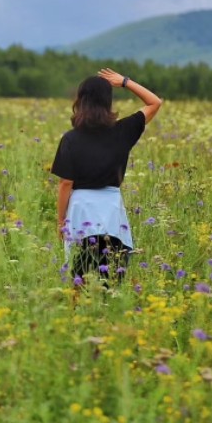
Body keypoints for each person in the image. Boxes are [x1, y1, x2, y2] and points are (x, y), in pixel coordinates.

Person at [50, 68, 162, 285]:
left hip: (80, 210)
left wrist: (61, 221)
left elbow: (66, 183)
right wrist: (125, 82)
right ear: (108, 101)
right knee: (112, 277)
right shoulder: (123, 131)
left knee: (78, 277)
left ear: (80, 101)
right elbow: (155, 102)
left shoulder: (70, 139)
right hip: (112, 210)